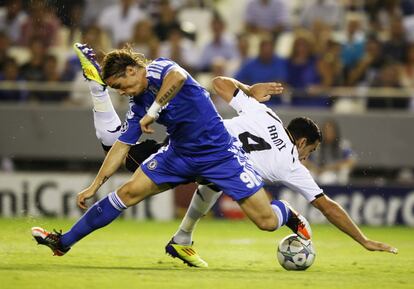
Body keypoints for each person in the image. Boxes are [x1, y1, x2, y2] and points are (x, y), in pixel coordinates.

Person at [52, 61, 396, 267]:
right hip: (208, 154)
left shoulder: (265, 112)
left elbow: (219, 83)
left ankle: (183, 237)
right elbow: (328, 205)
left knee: (138, 163)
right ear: (302, 143)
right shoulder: (292, 163)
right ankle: (280, 216)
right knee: (127, 162)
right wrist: (363, 240)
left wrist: (246, 86)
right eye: (309, 152)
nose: (306, 158)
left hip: (205, 152)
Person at [31, 43, 311, 263]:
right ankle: (63, 242)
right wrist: (94, 185)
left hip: (221, 155)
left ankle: (285, 213)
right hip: (179, 155)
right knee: (127, 192)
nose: (124, 93)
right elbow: (120, 147)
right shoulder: (137, 103)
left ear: (131, 70)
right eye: (118, 91)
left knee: (266, 222)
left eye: (123, 86)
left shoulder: (160, 68)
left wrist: (153, 112)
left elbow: (177, 78)